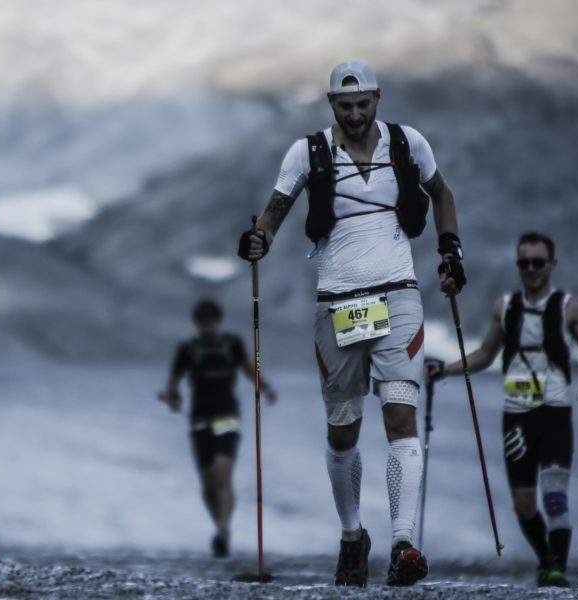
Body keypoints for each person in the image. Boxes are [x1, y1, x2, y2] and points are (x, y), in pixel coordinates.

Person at [237, 59, 467, 587]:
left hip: (399, 295)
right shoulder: (308, 152)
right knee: (343, 430)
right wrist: (259, 241)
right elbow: (275, 208)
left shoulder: (408, 144)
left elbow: (443, 195)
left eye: (364, 103)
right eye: (346, 106)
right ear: (331, 105)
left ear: (378, 99)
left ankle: (404, 544)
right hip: (336, 302)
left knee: (400, 415)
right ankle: (351, 538)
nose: (356, 113)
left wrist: (450, 249)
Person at [427, 231, 578, 588]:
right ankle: (547, 560)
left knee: (555, 496)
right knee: (524, 504)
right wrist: (445, 370)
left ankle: (557, 569)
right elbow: (485, 354)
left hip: (555, 412)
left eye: (538, 263)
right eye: (524, 263)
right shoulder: (505, 307)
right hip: (516, 416)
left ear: (552, 265)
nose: (531, 269)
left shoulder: (572, 307)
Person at [161, 299, 276, 558]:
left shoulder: (231, 344)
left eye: (211, 321)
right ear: (197, 323)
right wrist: (173, 397)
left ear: (218, 321)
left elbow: (249, 368)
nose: (208, 327)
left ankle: (223, 531)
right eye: (203, 322)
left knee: (222, 473)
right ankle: (219, 525)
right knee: (208, 483)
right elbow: (174, 380)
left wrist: (264, 386)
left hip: (227, 416)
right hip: (199, 419)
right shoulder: (187, 349)